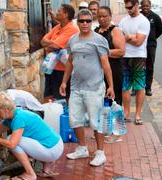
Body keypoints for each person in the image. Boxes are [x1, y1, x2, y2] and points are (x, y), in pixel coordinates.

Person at [60, 9, 115, 166]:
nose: (85, 23)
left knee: (95, 121)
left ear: (92, 22)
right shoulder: (72, 40)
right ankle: (82, 148)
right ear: (77, 22)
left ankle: (100, 153)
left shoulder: (99, 40)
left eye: (88, 21)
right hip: (76, 86)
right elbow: (70, 61)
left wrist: (110, 85)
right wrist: (64, 82)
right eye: (82, 21)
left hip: (95, 87)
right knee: (74, 119)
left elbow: (106, 64)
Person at [0, 91, 64, 180]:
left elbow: (12, 144)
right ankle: (46, 168)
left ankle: (30, 174)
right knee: (26, 138)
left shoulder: (18, 118)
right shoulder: (14, 115)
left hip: (52, 149)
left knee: (12, 140)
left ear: (5, 110)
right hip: (55, 143)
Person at [119, 0, 150, 125]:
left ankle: (138, 114)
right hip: (125, 55)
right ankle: (126, 113)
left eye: (130, 7)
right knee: (125, 85)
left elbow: (139, 42)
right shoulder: (123, 21)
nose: (129, 10)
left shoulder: (144, 21)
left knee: (139, 86)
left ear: (137, 5)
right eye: (127, 8)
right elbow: (119, 39)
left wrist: (126, 37)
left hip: (139, 56)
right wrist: (130, 37)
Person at [41, 4, 79, 102]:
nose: (56, 13)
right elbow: (42, 41)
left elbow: (55, 46)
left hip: (63, 70)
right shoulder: (57, 27)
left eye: (59, 11)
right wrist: (53, 44)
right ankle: (50, 116)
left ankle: (65, 117)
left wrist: (50, 45)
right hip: (51, 67)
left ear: (66, 14)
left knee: (63, 98)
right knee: (48, 95)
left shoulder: (72, 29)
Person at [95, 6, 125, 105]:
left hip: (114, 70)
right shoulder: (95, 31)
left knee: (113, 100)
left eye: (104, 16)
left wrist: (103, 53)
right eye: (99, 16)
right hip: (98, 71)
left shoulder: (115, 31)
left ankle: (114, 120)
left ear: (110, 17)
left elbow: (121, 51)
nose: (101, 19)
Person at [141, 0, 162, 96]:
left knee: (149, 66)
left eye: (147, 6)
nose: (145, 8)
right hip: (139, 45)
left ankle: (148, 87)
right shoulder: (138, 16)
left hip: (151, 45)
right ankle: (137, 87)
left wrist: (152, 38)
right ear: (141, 6)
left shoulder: (155, 17)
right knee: (137, 66)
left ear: (150, 6)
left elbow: (160, 30)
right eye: (144, 6)